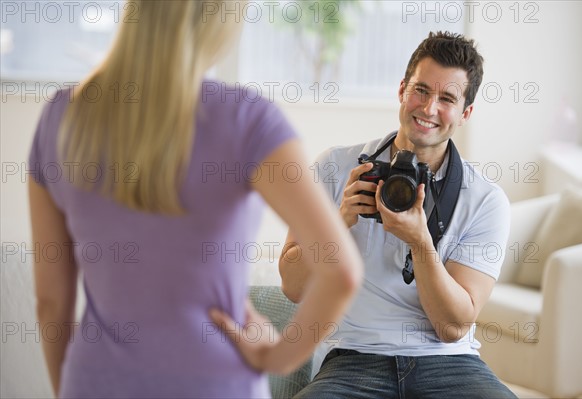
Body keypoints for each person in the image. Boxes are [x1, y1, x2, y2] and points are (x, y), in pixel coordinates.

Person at [28, 1, 363, 398]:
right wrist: (277, 356)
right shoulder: (247, 120)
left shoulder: (60, 117)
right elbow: (341, 271)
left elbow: (52, 303)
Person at [279, 31, 517, 398]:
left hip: (450, 363)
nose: (429, 108)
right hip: (354, 360)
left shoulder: (485, 199)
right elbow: (293, 287)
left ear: (465, 113)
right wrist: (337, 223)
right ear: (402, 90)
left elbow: (451, 328)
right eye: (421, 90)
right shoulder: (334, 167)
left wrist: (420, 242)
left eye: (447, 99)